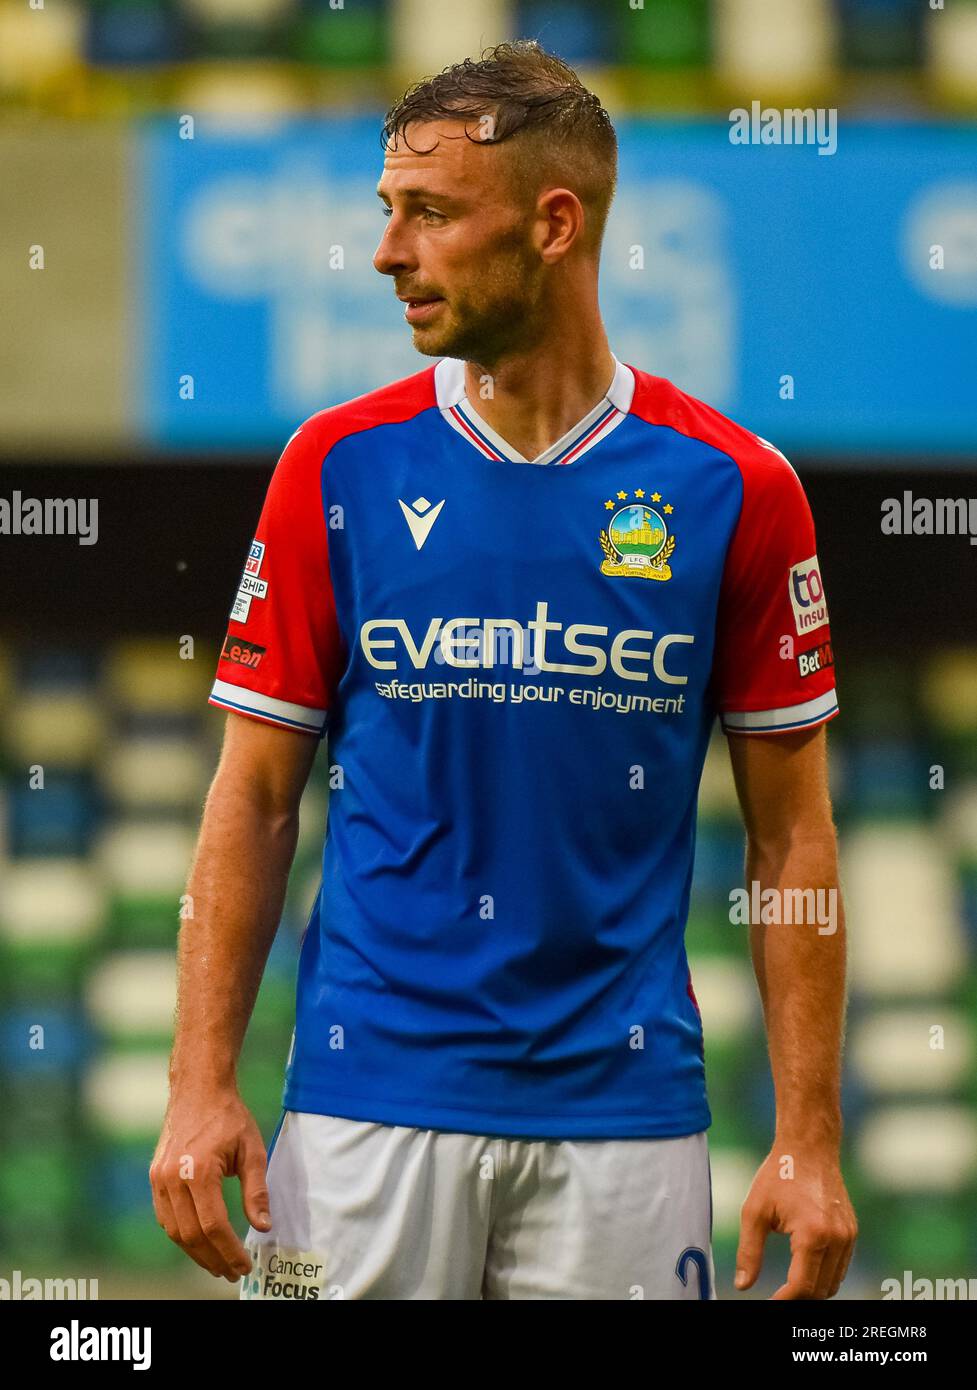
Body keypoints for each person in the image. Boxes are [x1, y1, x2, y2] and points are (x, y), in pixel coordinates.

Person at [151, 40, 856, 1301]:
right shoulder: (334, 468)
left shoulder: (737, 489)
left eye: (427, 213)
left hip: (625, 1119)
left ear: (552, 222)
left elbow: (790, 839)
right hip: (365, 1111)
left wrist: (806, 1137)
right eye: (386, 212)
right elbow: (251, 799)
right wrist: (200, 1082)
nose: (386, 251)